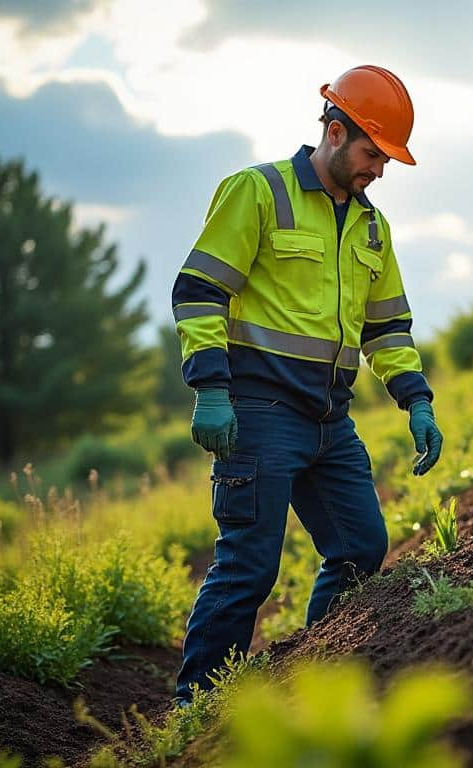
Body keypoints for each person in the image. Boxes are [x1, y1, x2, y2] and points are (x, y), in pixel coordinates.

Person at [169, 64, 441, 703]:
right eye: (374, 154)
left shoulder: (372, 228)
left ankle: (309, 679)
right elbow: (199, 291)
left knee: (361, 548)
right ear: (335, 131)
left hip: (330, 423)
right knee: (248, 567)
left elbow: (387, 328)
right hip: (259, 412)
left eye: (388, 160)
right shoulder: (258, 192)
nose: (380, 171)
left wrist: (417, 400)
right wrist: (210, 389)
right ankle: (197, 710)